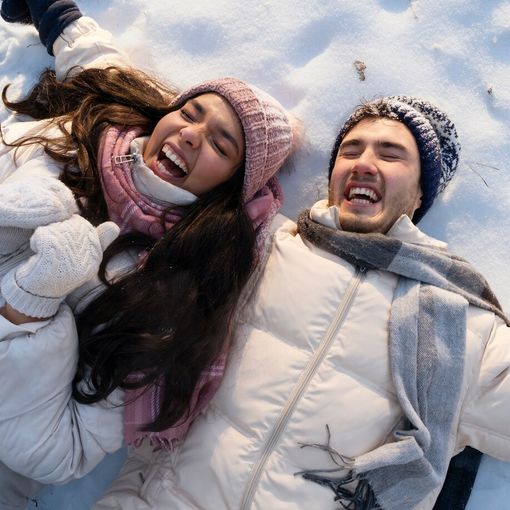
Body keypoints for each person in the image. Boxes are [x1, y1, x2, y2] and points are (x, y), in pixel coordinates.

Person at [91, 96, 510, 510]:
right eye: (351, 151)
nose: (364, 163)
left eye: (390, 154)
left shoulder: (458, 325)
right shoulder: (260, 241)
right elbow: (149, 184)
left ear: (420, 194)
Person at [0, 0, 296, 508]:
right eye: (189, 113)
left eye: (221, 145)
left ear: (230, 189)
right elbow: (103, 69)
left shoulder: (168, 298)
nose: (190, 134)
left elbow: (60, 450)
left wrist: (30, 307)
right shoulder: (101, 127)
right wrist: (58, 16)